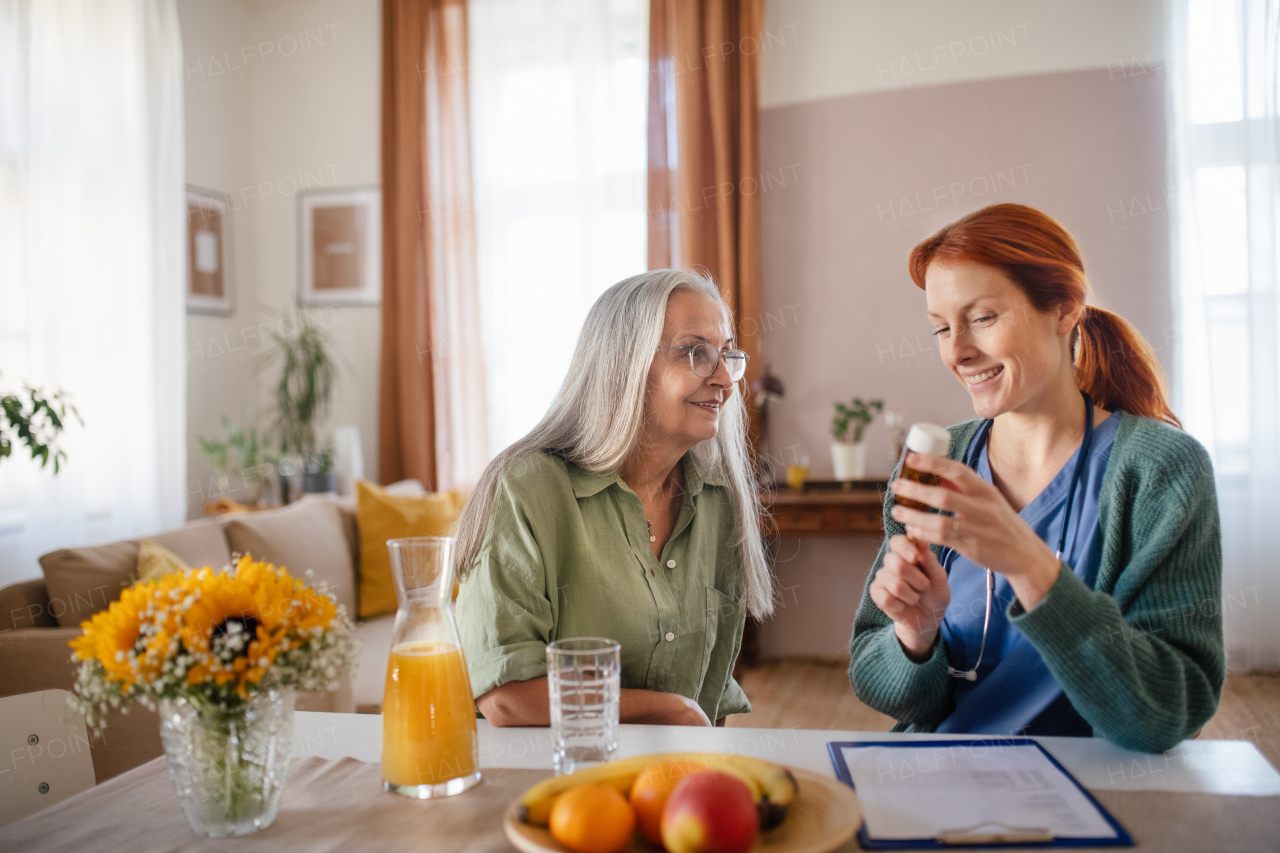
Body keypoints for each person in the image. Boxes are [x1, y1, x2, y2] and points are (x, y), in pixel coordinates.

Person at [849, 203, 1224, 753]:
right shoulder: (940, 462)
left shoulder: (1160, 470)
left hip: (1104, 794)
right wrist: (915, 636)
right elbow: (878, 679)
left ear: (1065, 308)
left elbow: (1169, 715)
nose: (957, 351)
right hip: (946, 780)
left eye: (981, 318)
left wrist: (1029, 564)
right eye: (941, 328)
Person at [455, 268, 773, 727]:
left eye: (726, 355)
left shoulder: (719, 502)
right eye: (695, 353)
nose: (725, 378)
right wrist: (669, 710)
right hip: (546, 784)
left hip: (665, 788)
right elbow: (506, 695)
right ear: (625, 365)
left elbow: (711, 688)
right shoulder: (527, 489)